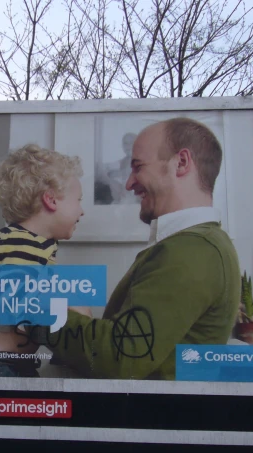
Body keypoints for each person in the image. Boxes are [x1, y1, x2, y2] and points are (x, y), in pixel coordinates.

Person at [30, 117, 240, 380]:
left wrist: (34, 305)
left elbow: (121, 357)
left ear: (182, 163)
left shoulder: (193, 250)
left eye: (138, 167)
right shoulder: (198, 244)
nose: (128, 183)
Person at [0, 144, 85, 378]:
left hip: (11, 363)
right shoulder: (19, 241)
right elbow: (18, 292)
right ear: (51, 200)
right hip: (0, 367)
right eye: (78, 200)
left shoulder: (32, 244)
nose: (82, 211)